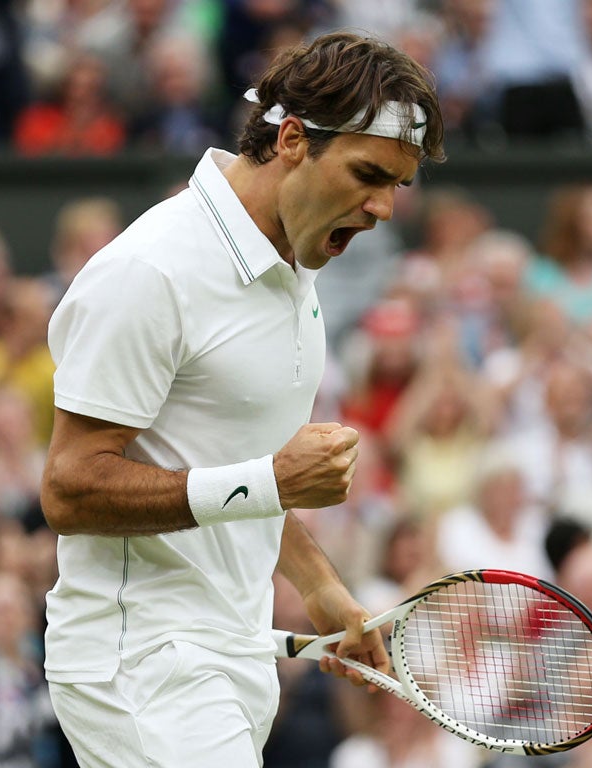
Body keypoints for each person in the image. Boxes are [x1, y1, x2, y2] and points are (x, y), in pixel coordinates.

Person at [39, 31, 445, 768]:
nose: (384, 207)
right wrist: (271, 482)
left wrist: (320, 587)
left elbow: (226, 463)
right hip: (143, 662)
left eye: (399, 185)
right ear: (292, 140)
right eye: (368, 174)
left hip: (235, 656)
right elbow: (69, 488)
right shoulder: (150, 271)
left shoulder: (296, 260)